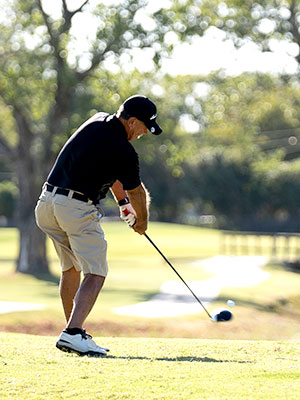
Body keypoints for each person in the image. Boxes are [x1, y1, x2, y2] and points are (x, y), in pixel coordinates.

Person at [35, 95, 162, 357]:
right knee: (96, 272)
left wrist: (123, 203)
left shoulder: (96, 121)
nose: (144, 134)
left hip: (47, 204)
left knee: (71, 268)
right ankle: (72, 333)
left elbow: (114, 176)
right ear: (133, 121)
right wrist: (142, 222)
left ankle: (73, 331)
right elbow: (137, 192)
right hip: (76, 209)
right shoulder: (125, 151)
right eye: (144, 128)